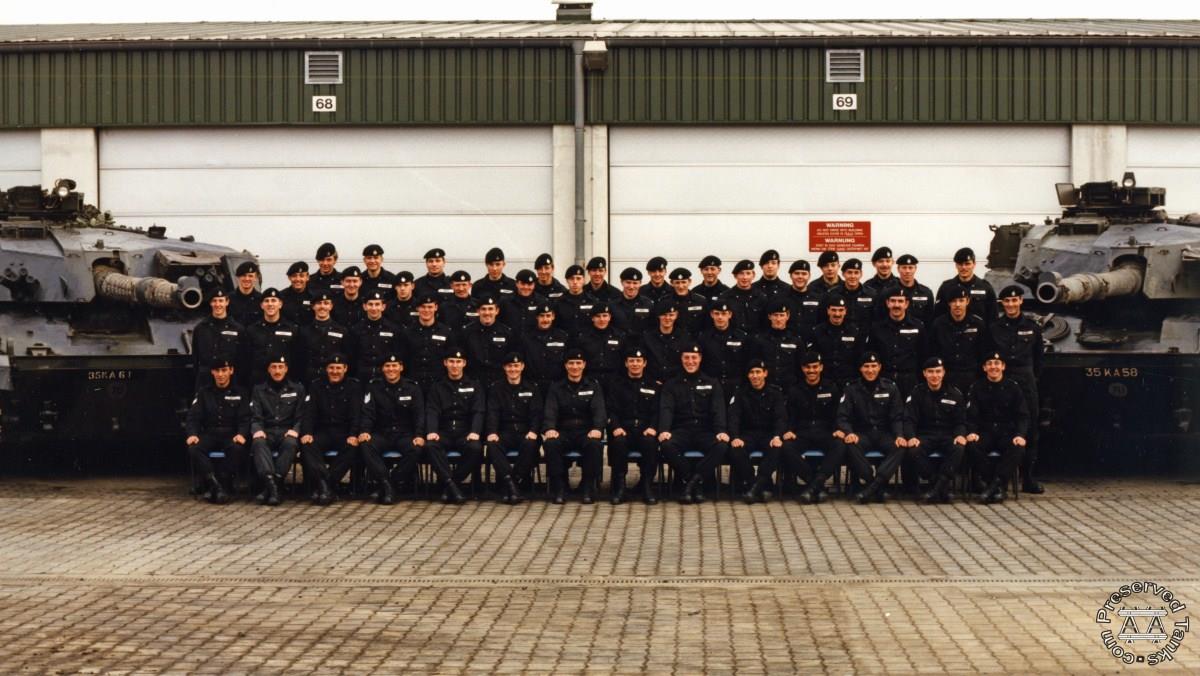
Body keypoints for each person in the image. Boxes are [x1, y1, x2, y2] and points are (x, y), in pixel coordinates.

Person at [990, 285, 1045, 493]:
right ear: (1002, 304)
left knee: (1029, 430)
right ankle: (999, 478)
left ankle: (1028, 478)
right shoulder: (995, 327)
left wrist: (1030, 378)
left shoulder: (1032, 327)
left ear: (1021, 301)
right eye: (1007, 301)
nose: (1011, 305)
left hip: (1025, 380)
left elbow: (1039, 359)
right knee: (1001, 426)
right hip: (1002, 380)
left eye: (1015, 301)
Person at [658, 345, 729, 504]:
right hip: (681, 430)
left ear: (700, 359)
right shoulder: (671, 384)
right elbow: (666, 409)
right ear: (682, 359)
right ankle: (695, 482)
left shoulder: (712, 383)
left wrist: (720, 431)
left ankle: (691, 483)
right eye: (687, 358)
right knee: (666, 445)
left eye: (694, 358)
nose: (690, 361)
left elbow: (718, 410)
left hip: (704, 431)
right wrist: (664, 430)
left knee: (722, 445)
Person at [836, 352, 906, 504]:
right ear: (860, 369)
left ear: (880, 367)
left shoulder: (891, 388)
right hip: (862, 433)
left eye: (874, 366)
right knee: (849, 444)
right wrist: (849, 433)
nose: (870, 370)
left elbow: (897, 417)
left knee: (900, 447)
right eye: (866, 366)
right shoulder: (851, 389)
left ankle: (872, 486)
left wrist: (899, 435)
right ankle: (875, 484)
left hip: (883, 433)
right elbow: (842, 417)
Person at [358, 354, 425, 505]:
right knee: (366, 445)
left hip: (404, 434)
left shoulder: (412, 388)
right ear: (383, 368)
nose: (391, 369)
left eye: (394, 366)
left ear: (401, 367)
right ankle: (386, 484)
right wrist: (365, 431)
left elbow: (419, 414)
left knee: (417, 448)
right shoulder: (373, 387)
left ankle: (388, 485)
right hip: (382, 433)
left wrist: (419, 434)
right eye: (387, 366)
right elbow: (368, 412)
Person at [542, 349, 607, 504]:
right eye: (571, 363)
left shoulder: (593, 386)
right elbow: (550, 410)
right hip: (563, 431)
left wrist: (598, 428)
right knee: (551, 443)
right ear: (565, 366)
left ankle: (587, 486)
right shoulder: (556, 387)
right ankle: (560, 487)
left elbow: (600, 411)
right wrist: (550, 428)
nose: (575, 366)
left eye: (578, 363)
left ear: (584, 365)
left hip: (586, 431)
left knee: (594, 444)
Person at [299, 354, 363, 505]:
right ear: (326, 369)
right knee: (307, 445)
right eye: (332, 368)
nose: (335, 371)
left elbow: (356, 414)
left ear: (345, 369)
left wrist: (353, 434)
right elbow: (309, 413)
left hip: (344, 432)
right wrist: (307, 433)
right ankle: (327, 486)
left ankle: (323, 485)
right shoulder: (316, 386)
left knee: (353, 447)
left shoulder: (353, 386)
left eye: (338, 368)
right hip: (324, 431)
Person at [966, 352, 1030, 504]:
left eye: (997, 363)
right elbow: (971, 415)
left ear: (1003, 366)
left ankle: (993, 486)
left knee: (1018, 448)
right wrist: (972, 432)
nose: (993, 367)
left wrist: (1020, 434)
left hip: (1006, 431)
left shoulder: (1013, 387)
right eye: (989, 364)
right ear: (984, 368)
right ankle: (997, 486)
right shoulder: (977, 387)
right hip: (985, 431)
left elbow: (1022, 415)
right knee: (972, 446)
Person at [903, 357, 968, 504]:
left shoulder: (955, 393)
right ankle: (940, 486)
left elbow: (961, 421)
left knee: (959, 448)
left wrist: (959, 435)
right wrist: (911, 436)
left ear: (944, 373)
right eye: (930, 372)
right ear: (924, 373)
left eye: (938, 371)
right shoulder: (917, 393)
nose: (934, 375)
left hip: (947, 435)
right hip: (925, 435)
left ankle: (936, 487)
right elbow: (909, 420)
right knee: (913, 450)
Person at [423, 349, 485, 504]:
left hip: (465, 432)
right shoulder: (437, 387)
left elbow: (479, 411)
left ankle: (450, 485)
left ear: (464, 363)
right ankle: (452, 485)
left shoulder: (475, 386)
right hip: (444, 431)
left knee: (475, 448)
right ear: (445, 363)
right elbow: (432, 411)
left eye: (458, 362)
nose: (455, 365)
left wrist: (475, 432)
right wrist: (432, 431)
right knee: (431, 446)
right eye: (451, 361)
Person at [781, 352, 843, 504]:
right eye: (808, 367)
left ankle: (814, 485)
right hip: (802, 432)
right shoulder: (795, 390)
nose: (811, 371)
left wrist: (838, 428)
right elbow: (790, 414)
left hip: (825, 432)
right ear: (803, 369)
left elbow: (837, 413)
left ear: (821, 367)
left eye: (815, 367)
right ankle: (816, 485)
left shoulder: (831, 388)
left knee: (840, 445)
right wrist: (789, 430)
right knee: (786, 447)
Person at [185, 357, 250, 504]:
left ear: (231, 371)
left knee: (237, 448)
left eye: (224, 370)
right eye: (217, 371)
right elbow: (193, 418)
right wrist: (193, 434)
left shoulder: (240, 392)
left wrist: (241, 434)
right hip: (211, 433)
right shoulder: (204, 393)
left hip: (231, 434)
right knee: (194, 449)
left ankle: (216, 486)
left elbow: (245, 418)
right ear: (212, 372)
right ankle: (216, 486)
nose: (221, 374)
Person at [604, 347, 661, 505]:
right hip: (624, 427)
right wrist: (615, 427)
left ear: (644, 363)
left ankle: (647, 486)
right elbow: (611, 410)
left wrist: (653, 427)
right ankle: (620, 487)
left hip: (645, 428)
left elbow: (658, 411)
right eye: (631, 361)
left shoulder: (653, 385)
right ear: (626, 363)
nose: (635, 364)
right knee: (618, 443)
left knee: (650, 443)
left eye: (638, 361)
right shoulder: (617, 384)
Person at [484, 352, 542, 504]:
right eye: (510, 366)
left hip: (525, 432)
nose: (513, 369)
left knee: (531, 444)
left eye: (516, 366)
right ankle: (512, 484)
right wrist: (492, 432)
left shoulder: (532, 388)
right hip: (505, 432)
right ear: (504, 368)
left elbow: (537, 413)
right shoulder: (496, 388)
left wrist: (534, 431)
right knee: (492, 445)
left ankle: (510, 484)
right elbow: (492, 413)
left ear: (522, 367)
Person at [248, 354, 305, 506]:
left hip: (287, 431)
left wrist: (296, 430)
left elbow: (301, 417)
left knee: (291, 444)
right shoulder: (258, 390)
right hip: (267, 430)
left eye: (280, 367)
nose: (277, 370)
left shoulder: (298, 389)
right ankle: (273, 487)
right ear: (268, 369)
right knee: (258, 443)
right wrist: (257, 430)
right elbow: (255, 416)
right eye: (274, 367)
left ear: (286, 369)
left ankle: (270, 487)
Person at [727, 359, 787, 503]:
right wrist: (735, 437)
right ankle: (760, 484)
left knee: (777, 448)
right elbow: (734, 417)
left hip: (768, 435)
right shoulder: (741, 394)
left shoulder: (775, 394)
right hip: (748, 435)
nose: (755, 376)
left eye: (758, 372)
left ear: (765, 373)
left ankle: (754, 487)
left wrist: (777, 436)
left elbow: (781, 418)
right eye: (752, 373)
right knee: (735, 449)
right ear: (748, 376)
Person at [929, 287, 990, 395]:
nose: (957, 304)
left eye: (961, 300)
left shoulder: (978, 324)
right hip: (946, 377)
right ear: (949, 303)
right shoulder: (938, 325)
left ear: (967, 301)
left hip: (971, 376)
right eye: (954, 301)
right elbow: (933, 352)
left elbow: (983, 353)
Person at [869, 287, 927, 396]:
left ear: (906, 304)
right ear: (887, 303)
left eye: (900, 301)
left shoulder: (918, 326)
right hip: (884, 380)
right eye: (893, 301)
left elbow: (923, 355)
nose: (896, 305)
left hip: (910, 381)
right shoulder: (877, 328)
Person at [808, 295, 867, 385]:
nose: (837, 314)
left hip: (849, 381)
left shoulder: (854, 332)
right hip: (825, 382)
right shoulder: (817, 332)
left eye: (840, 310)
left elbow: (859, 359)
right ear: (828, 311)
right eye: (834, 310)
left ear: (845, 311)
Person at [244, 288, 298, 386]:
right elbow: (247, 359)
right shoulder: (252, 330)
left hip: (284, 383)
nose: (270, 304)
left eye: (273, 300)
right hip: (258, 383)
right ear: (261, 305)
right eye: (266, 301)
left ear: (280, 304)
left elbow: (296, 358)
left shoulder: (292, 329)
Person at [296, 291, 353, 385]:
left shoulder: (342, 331)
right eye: (318, 303)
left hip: (334, 379)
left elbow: (347, 357)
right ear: (313, 306)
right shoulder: (303, 331)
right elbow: (300, 359)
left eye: (326, 303)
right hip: (310, 379)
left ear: (331, 306)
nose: (322, 306)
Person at [192, 288, 243, 390]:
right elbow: (195, 358)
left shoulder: (238, 329)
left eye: (221, 300)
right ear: (210, 303)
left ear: (227, 302)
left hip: (229, 381)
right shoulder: (201, 328)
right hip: (206, 380)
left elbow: (242, 358)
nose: (218, 304)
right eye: (214, 301)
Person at [698, 300, 752, 395]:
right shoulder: (703, 338)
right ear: (711, 314)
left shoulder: (741, 337)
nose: (720, 317)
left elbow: (747, 362)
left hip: (736, 387)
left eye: (723, 314)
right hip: (711, 386)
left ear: (730, 315)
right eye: (717, 313)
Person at [403, 295, 456, 391]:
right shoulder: (408, 332)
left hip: (439, 384)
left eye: (430, 307)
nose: (426, 310)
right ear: (417, 308)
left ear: (436, 307)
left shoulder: (446, 332)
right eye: (423, 307)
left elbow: (450, 359)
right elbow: (404, 359)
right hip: (413, 384)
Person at [462, 296, 514, 387]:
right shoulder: (467, 332)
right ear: (478, 311)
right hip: (474, 380)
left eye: (490, 309)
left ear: (497, 311)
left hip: (499, 381)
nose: (487, 313)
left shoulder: (506, 332)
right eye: (483, 309)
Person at [935, 247, 997, 324]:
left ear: (974, 264)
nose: (964, 267)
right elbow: (938, 316)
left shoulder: (985, 287)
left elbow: (993, 318)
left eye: (967, 264)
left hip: (978, 333)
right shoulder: (946, 287)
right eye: (960, 264)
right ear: (956, 265)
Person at [351, 290, 402, 381]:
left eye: (377, 304)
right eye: (370, 304)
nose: (374, 308)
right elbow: (352, 357)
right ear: (364, 306)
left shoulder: (393, 329)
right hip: (361, 377)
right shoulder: (355, 330)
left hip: (385, 378)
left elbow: (397, 354)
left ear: (383, 307)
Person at [641, 300, 691, 384]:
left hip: (677, 383)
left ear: (676, 316)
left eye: (671, 315)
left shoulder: (684, 337)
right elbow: (643, 361)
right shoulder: (647, 337)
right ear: (658, 316)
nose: (667, 318)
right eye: (664, 315)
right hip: (652, 382)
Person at [521, 303, 569, 389]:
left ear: (553, 316)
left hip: (556, 385)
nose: (545, 319)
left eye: (548, 316)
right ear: (537, 317)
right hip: (532, 385)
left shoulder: (562, 337)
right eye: (542, 316)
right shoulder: (527, 337)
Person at [575, 304, 627, 380]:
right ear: (592, 318)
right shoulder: (583, 337)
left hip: (614, 378)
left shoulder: (620, 336)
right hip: (590, 378)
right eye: (598, 316)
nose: (602, 319)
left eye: (605, 316)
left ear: (609, 317)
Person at [884, 254, 935, 326]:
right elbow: (881, 318)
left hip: (918, 334)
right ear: (898, 269)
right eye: (904, 268)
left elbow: (930, 320)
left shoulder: (926, 293)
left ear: (915, 269)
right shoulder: (888, 292)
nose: (907, 271)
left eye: (910, 268)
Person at [720, 259, 767, 333]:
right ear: (735, 276)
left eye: (748, 273)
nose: (745, 277)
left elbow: (765, 323)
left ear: (753, 275)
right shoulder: (725, 297)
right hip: (733, 339)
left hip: (755, 340)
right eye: (741, 273)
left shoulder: (761, 297)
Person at [552, 264, 596, 340]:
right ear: (567, 281)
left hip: (587, 345)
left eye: (578, 278)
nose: (575, 282)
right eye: (572, 279)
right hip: (566, 345)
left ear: (583, 280)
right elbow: (555, 327)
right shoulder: (558, 303)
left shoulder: (593, 302)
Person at [784, 259, 823, 342]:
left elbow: (822, 325)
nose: (800, 277)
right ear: (791, 275)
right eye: (797, 273)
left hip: (811, 345)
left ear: (809, 276)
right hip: (788, 345)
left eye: (804, 274)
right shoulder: (781, 298)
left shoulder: (818, 299)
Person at [611, 267, 654, 338]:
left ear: (640, 283)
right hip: (620, 346)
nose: (631, 286)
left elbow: (652, 328)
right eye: (628, 282)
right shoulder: (612, 305)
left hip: (641, 346)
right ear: (622, 282)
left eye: (635, 283)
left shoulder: (648, 304)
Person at [500, 269, 543, 340]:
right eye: (523, 284)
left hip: (533, 344)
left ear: (534, 285)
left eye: (529, 284)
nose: (526, 287)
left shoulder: (541, 302)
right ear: (516, 283)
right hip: (510, 344)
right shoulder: (505, 302)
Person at [668, 267, 710, 335]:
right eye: (677, 283)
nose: (681, 286)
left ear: (689, 282)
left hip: (696, 341)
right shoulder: (664, 302)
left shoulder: (701, 301)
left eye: (684, 282)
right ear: (672, 283)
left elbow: (707, 326)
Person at [836, 258, 876, 326]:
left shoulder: (872, 294)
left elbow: (876, 319)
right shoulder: (834, 294)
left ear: (861, 274)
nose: (853, 276)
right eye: (849, 272)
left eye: (856, 272)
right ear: (843, 274)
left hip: (864, 335)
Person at [228, 260, 263, 327]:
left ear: (255, 278)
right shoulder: (228, 299)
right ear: (238, 277)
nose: (247, 279)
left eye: (250, 276)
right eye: (244, 275)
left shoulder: (261, 300)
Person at [279, 261, 314, 326]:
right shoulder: (281, 296)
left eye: (301, 276)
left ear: (307, 277)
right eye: (294, 276)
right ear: (289, 278)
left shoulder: (314, 297)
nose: (298, 279)